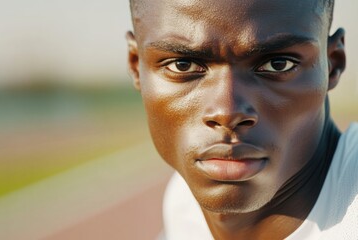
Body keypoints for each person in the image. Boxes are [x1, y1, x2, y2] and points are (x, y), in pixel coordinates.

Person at [126, 0, 358, 239]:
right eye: (182, 65)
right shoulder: (182, 203)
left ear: (332, 64)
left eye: (277, 65)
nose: (227, 112)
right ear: (136, 66)